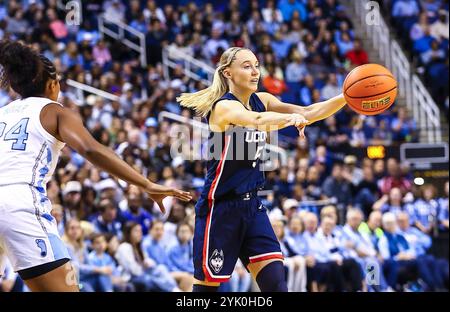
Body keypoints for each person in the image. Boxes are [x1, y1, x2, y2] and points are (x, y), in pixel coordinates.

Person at [0, 40, 192, 292]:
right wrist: (145, 184)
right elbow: (91, 149)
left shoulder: (3, 113)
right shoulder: (54, 111)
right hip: (19, 204)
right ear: (52, 84)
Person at [177, 47, 346, 292]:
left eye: (257, 65)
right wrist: (288, 120)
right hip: (220, 209)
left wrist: (347, 96)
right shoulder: (223, 107)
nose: (255, 71)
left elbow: (308, 112)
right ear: (228, 73)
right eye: (246, 66)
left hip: (253, 207)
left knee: (277, 284)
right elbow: (255, 120)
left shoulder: (264, 100)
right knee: (206, 292)